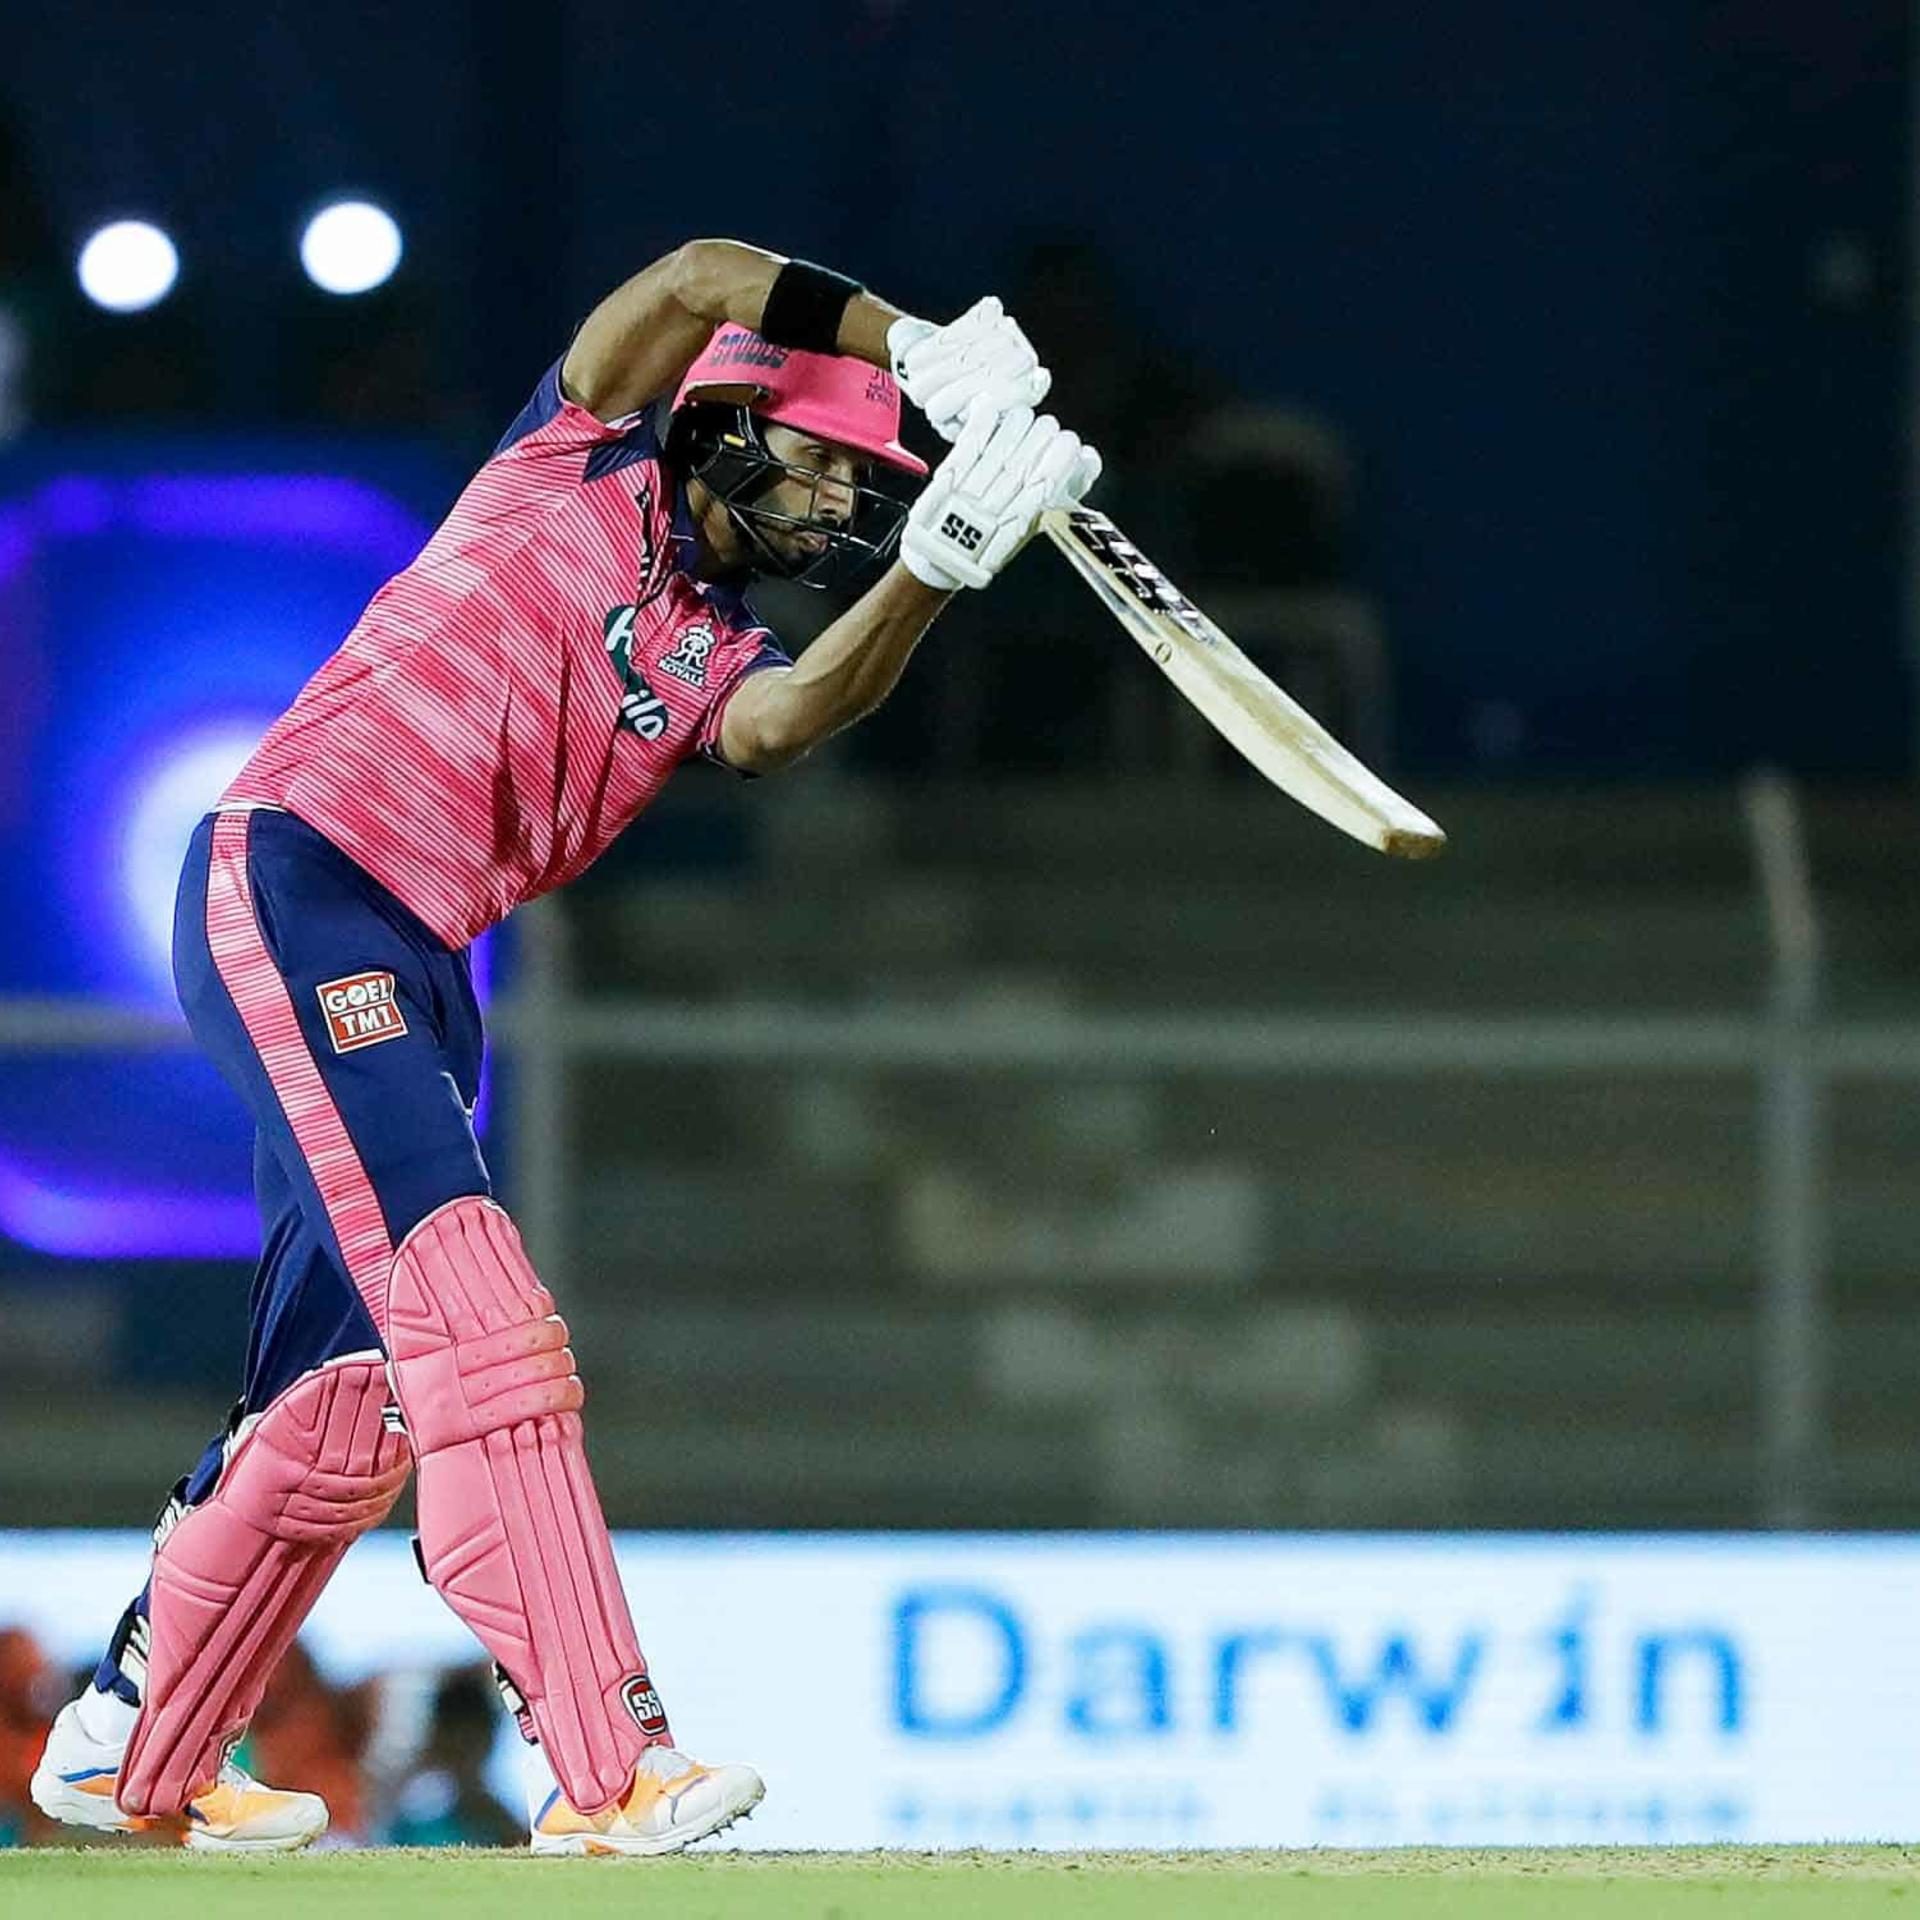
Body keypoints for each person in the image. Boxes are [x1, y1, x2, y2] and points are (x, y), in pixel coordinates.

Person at [29, 239, 1099, 1856]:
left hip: (417, 957)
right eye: (822, 459)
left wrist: (937, 569)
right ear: (725, 424)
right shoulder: (576, 448)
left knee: (354, 1398)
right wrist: (916, 344)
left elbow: (781, 724)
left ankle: (135, 1747)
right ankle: (608, 1769)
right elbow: (699, 277)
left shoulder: (711, 645)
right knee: (481, 1324)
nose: (837, 503)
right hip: (303, 881)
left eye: (862, 486)